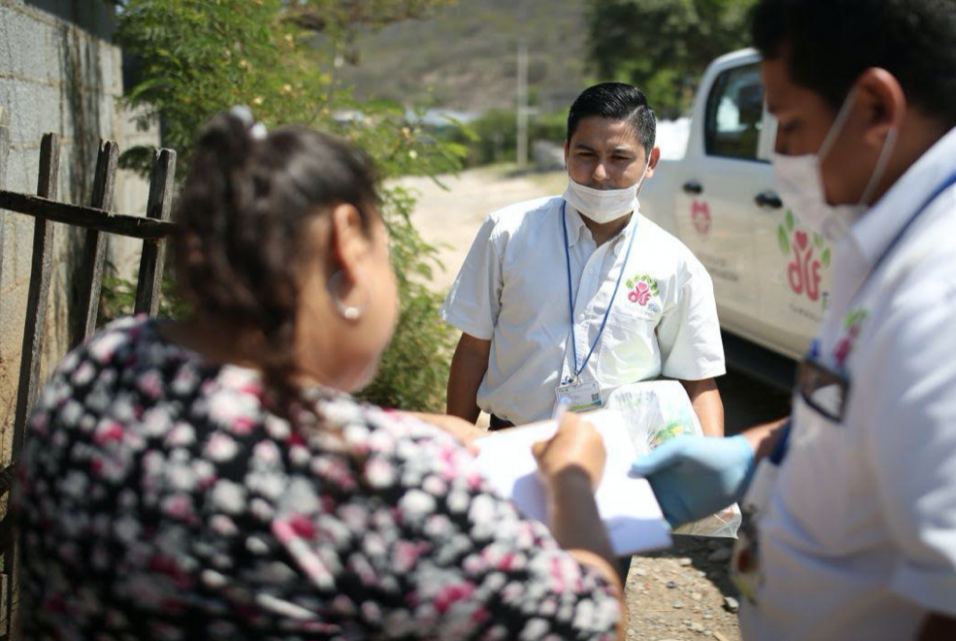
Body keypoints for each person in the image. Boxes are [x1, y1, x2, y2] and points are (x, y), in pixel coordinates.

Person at [632, 1, 956, 640]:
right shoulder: (915, 224)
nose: (781, 153)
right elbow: (894, 406)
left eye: (789, 123)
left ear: (875, 107)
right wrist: (760, 452)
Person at [14, 109, 624, 641]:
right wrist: (571, 482)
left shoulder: (104, 363)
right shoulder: (388, 481)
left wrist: (394, 427)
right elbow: (588, 625)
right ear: (346, 244)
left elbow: (234, 422)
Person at [441, 83, 727, 434]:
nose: (600, 174)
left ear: (650, 161)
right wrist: (456, 445)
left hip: (623, 459)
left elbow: (698, 383)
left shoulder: (676, 266)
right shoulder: (507, 233)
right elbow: (474, 350)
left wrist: (712, 473)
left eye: (619, 158)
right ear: (566, 153)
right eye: (586, 154)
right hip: (513, 441)